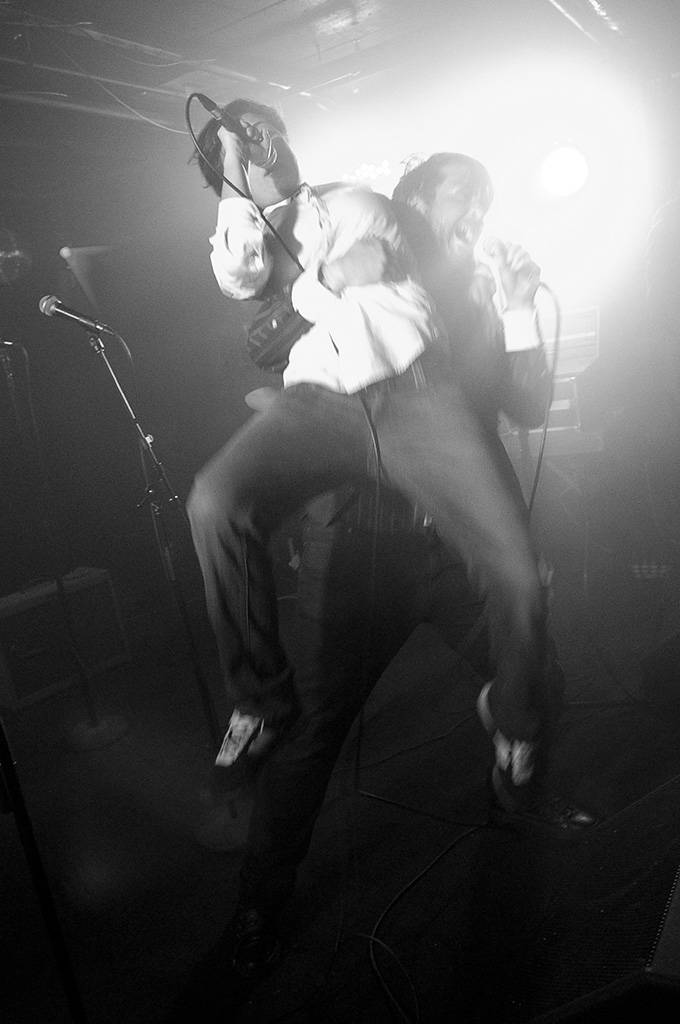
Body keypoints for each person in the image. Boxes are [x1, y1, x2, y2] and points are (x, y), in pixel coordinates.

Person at [191, 145, 594, 978]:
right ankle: (260, 904)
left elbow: (527, 402)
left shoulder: (476, 289)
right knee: (311, 735)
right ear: (411, 199)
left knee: (535, 667)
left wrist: (519, 305)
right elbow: (265, 335)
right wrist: (331, 277)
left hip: (451, 545)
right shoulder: (357, 243)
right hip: (359, 547)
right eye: (462, 197)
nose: (476, 216)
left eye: (484, 204)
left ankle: (517, 799)